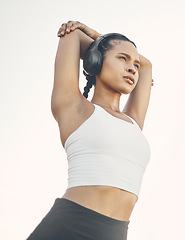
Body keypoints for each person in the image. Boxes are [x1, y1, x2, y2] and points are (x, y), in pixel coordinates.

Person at [27, 21, 153, 240]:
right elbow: (73, 35)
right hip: (69, 227)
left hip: (115, 233)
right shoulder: (74, 108)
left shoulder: (133, 121)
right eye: (122, 59)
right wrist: (100, 44)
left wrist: (100, 38)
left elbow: (148, 65)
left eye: (135, 64)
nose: (133, 67)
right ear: (95, 61)